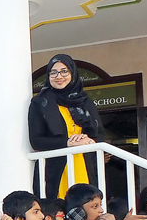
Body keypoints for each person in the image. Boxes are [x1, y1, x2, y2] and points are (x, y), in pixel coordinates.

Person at [28, 54, 104, 198]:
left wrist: (87, 140)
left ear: (72, 73)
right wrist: (68, 143)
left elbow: (99, 134)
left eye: (64, 71)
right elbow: (36, 140)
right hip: (55, 168)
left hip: (83, 164)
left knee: (86, 207)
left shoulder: (84, 100)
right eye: (53, 72)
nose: (59, 76)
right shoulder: (40, 103)